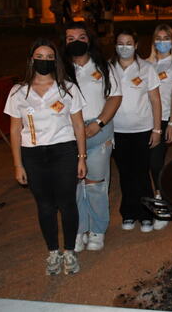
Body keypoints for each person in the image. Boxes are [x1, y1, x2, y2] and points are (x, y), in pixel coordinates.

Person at [4, 38, 87, 275]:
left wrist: (81, 157)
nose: (44, 62)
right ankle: (53, 252)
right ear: (31, 60)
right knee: (45, 206)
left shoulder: (67, 88)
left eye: (50, 58)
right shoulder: (18, 92)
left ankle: (69, 252)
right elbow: (14, 130)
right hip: (33, 155)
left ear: (56, 61)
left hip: (63, 151)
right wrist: (18, 164)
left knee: (67, 203)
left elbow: (79, 126)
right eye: (40, 57)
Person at [63, 22, 122, 251]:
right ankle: (79, 230)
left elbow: (115, 97)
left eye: (81, 37)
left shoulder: (104, 67)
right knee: (75, 186)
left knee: (95, 184)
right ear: (64, 42)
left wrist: (99, 123)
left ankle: (98, 229)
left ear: (89, 40)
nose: (76, 42)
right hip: (68, 134)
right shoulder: (60, 70)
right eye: (70, 38)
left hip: (98, 131)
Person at [111, 28, 162, 233]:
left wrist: (157, 129)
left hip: (142, 128)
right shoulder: (108, 68)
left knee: (141, 172)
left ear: (136, 45)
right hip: (117, 130)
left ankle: (146, 214)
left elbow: (155, 99)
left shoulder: (146, 68)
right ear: (115, 45)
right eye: (121, 43)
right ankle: (129, 212)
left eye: (129, 43)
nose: (125, 47)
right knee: (125, 174)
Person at [146, 23, 172, 230]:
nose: (162, 42)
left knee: (156, 162)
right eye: (158, 38)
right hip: (144, 120)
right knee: (146, 163)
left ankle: (162, 201)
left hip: (162, 120)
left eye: (166, 38)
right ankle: (148, 204)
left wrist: (171, 123)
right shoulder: (144, 64)